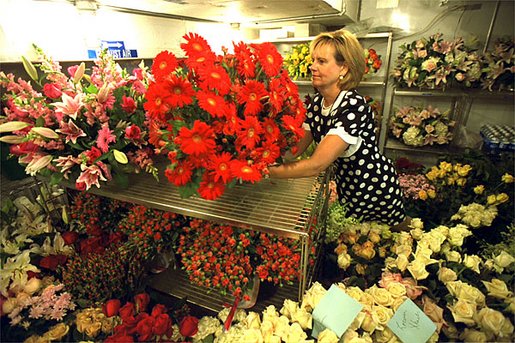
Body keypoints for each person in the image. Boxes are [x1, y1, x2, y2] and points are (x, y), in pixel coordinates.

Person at [268, 29, 409, 229]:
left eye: (321, 61)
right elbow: (296, 149)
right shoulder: (318, 103)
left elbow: (316, 164)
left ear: (344, 68)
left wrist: (266, 172)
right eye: (313, 60)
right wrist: (266, 156)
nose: (312, 66)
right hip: (348, 188)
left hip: (374, 187)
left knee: (392, 236)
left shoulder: (353, 106)